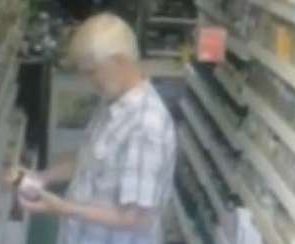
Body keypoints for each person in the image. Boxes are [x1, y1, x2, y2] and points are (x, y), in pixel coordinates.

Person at [18, 13, 177, 244]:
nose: (87, 80)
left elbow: (137, 217)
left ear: (119, 62)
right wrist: (42, 177)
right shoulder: (113, 102)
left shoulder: (145, 125)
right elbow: (91, 159)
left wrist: (65, 208)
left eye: (91, 71)